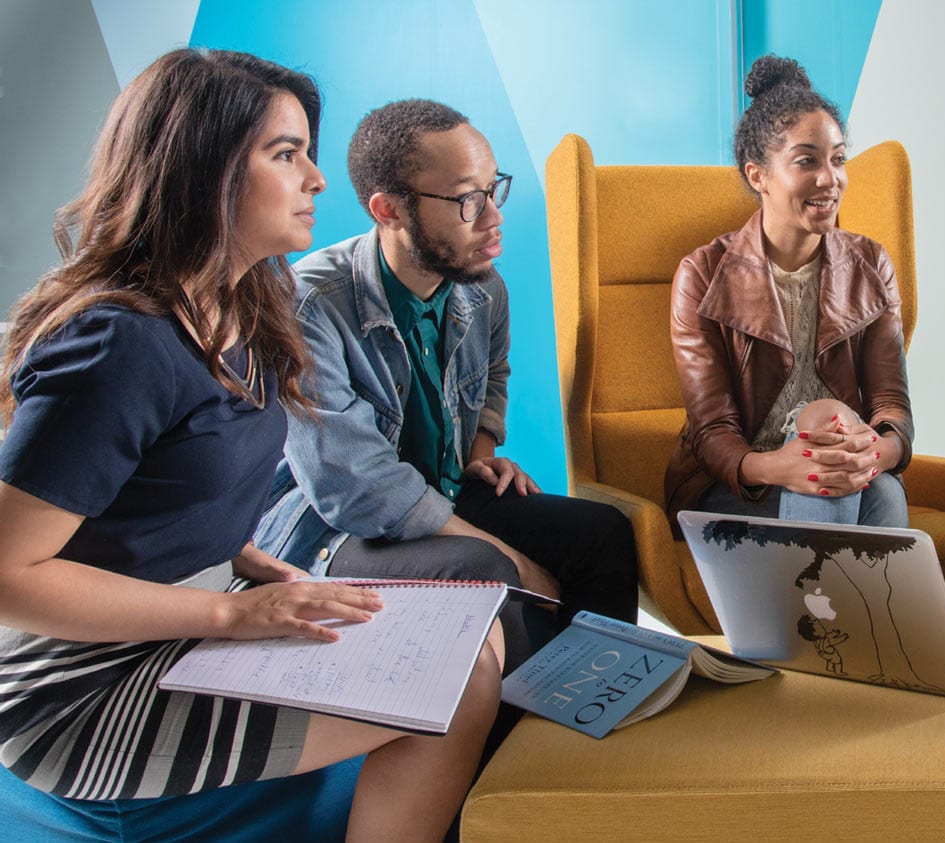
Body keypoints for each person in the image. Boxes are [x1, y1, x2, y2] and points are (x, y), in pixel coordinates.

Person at [0, 49, 499, 840]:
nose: (316, 179)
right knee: (461, 681)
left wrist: (249, 559)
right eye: (285, 154)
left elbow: (171, 488)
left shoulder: (254, 301)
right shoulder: (119, 344)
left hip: (191, 617)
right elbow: (9, 577)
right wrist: (233, 615)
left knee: (474, 629)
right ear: (203, 169)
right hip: (81, 683)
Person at [252, 99, 638, 674]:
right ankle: (507, 752)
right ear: (390, 210)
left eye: (492, 188)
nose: (493, 217)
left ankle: (593, 706)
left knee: (602, 531)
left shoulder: (484, 288)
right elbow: (353, 487)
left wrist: (482, 454)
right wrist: (507, 553)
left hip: (442, 493)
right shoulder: (307, 307)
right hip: (332, 527)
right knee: (486, 568)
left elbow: (492, 379)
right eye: (466, 199)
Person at [666, 55, 913, 529]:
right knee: (828, 486)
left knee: (876, 487)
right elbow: (711, 432)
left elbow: (891, 407)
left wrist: (873, 452)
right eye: (807, 161)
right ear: (757, 174)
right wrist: (781, 465)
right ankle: (831, 604)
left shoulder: (871, 263)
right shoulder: (701, 274)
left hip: (842, 466)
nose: (830, 179)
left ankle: (826, 605)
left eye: (838, 159)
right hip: (737, 481)